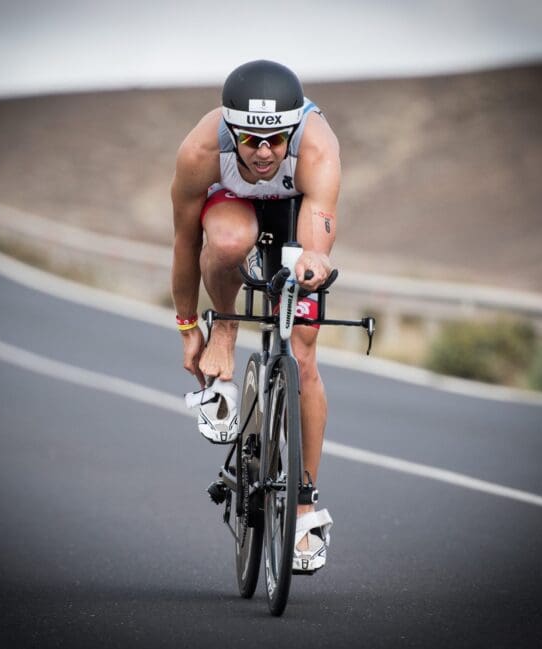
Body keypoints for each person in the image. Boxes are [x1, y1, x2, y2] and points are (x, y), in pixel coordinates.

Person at [170, 60, 339, 572]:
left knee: (303, 356)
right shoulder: (201, 150)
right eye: (250, 141)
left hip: (295, 213)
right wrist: (187, 328)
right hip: (231, 206)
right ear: (231, 131)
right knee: (226, 240)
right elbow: (185, 242)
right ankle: (226, 331)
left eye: (275, 141)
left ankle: (304, 502)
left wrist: (314, 258)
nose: (264, 153)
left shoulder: (316, 145)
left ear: (291, 130)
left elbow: (319, 223)